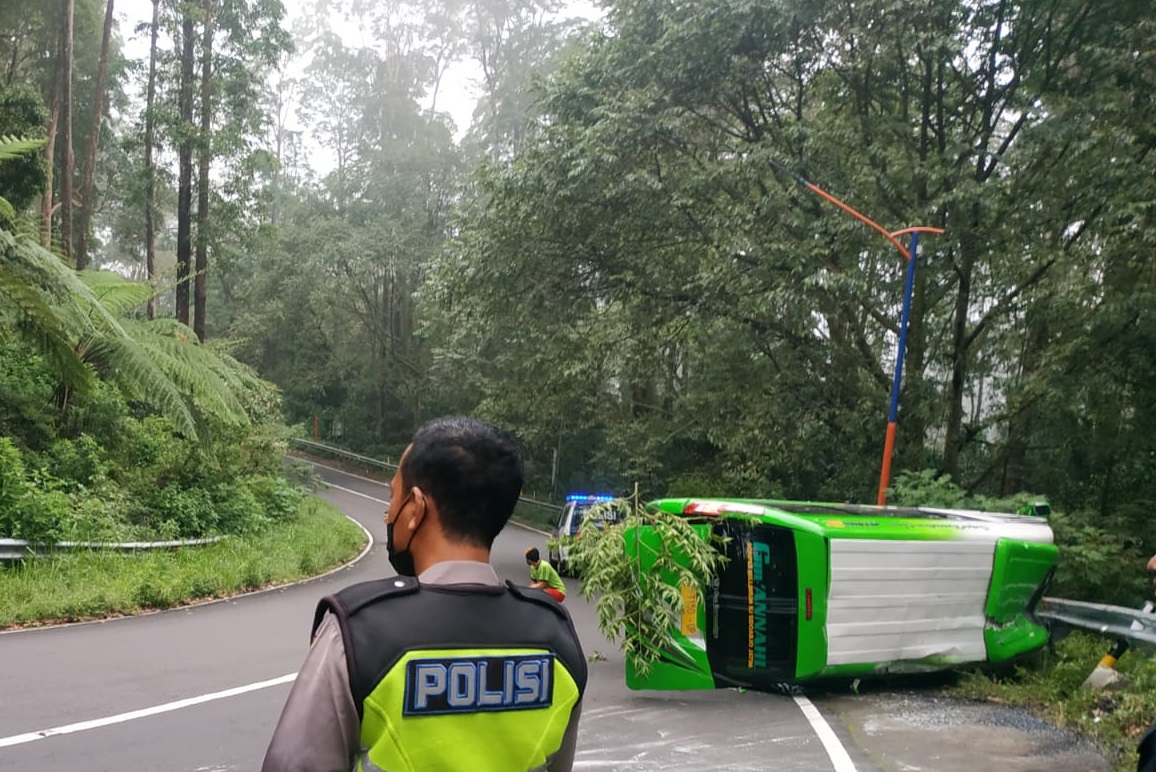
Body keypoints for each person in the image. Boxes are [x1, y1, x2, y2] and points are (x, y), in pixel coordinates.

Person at [262, 417, 587, 772]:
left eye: (392, 496)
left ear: (415, 508)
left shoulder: (358, 631)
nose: (389, 513)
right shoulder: (556, 640)